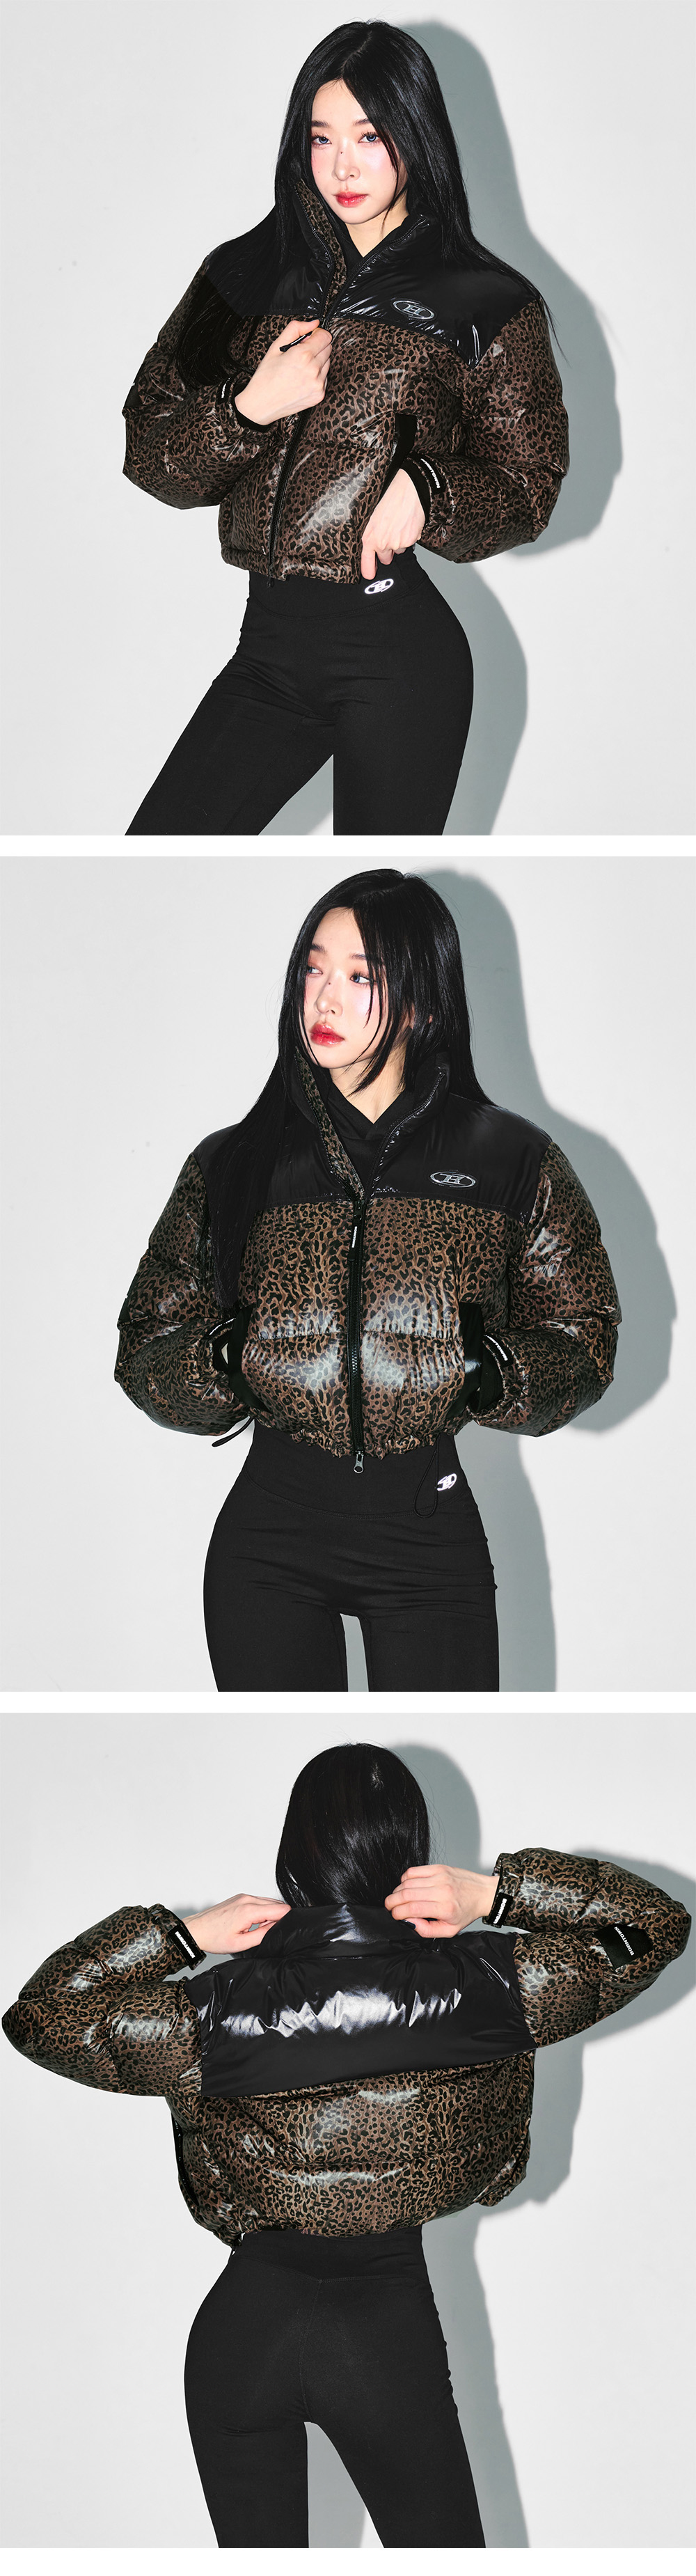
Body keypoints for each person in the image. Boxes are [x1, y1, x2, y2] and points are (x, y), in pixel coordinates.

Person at [3, 1741, 690, 2550]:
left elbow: (40, 2018)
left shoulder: (213, 2010)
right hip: (381, 2340)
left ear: (293, 1857)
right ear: (411, 1850)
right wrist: (496, 1893)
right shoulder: (493, 1985)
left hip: (241, 2338)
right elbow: (657, 1925)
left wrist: (182, 1936)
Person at [115, 870, 621, 1692]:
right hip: (267, 1541)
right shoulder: (234, 1162)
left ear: (422, 1004)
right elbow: (145, 1344)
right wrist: (227, 1360)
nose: (323, 997)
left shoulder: (509, 1159)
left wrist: (487, 1370)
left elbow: (583, 1334)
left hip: (427, 1535)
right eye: (313, 969)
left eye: (360, 976)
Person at [122, 20, 569, 836]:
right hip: (267, 654)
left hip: (398, 657)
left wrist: (429, 489)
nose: (342, 165)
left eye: (369, 135)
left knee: (373, 877)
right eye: (321, 136)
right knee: (159, 846)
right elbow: (150, 454)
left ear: (415, 134)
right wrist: (248, 408)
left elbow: (528, 483)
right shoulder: (239, 276)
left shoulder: (487, 302)